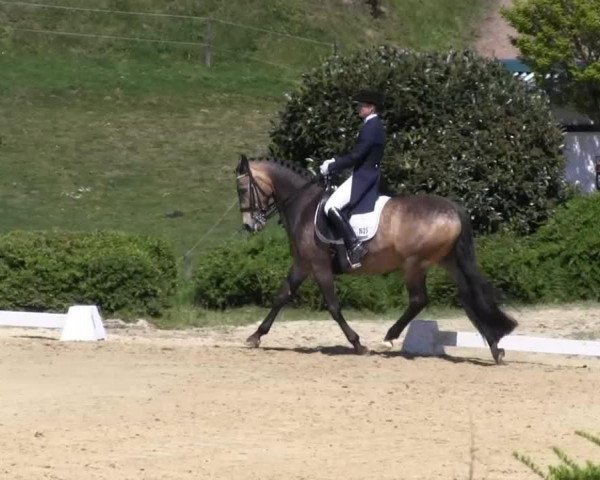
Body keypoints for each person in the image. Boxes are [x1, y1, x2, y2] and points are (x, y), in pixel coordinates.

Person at [320, 89, 386, 267]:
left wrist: (331, 166)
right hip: (369, 172)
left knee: (330, 206)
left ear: (371, 107)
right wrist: (336, 160)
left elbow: (356, 156)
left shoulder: (371, 127)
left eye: (361, 106)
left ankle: (355, 246)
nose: (358, 109)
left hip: (363, 175)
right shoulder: (375, 125)